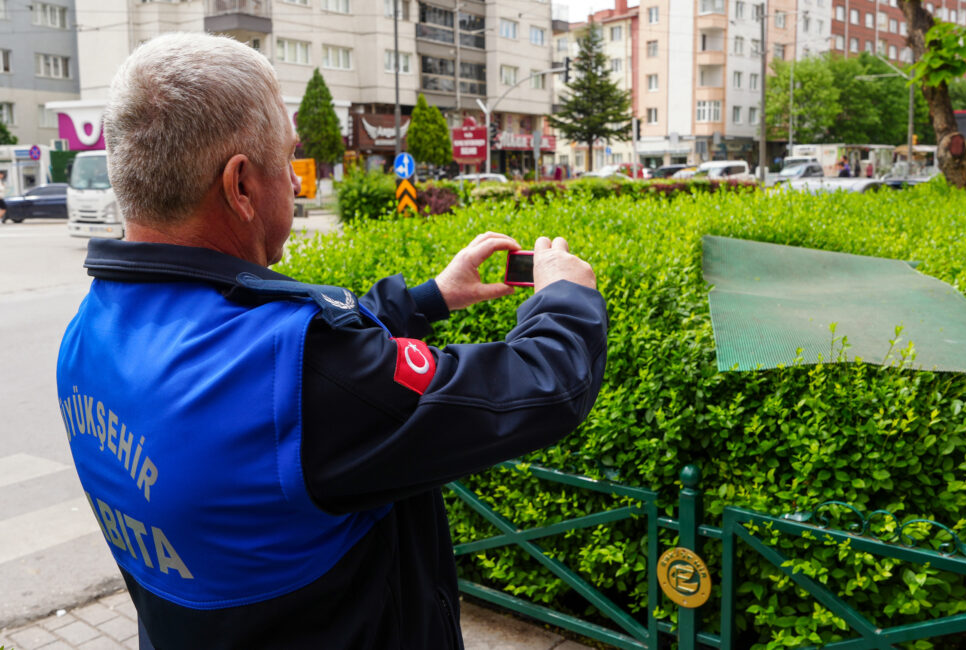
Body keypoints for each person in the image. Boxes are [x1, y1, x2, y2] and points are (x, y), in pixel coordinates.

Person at [55, 33, 607, 650]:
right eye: (287, 162)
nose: (294, 183)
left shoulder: (88, 333)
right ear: (240, 186)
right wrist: (566, 297)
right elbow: (540, 386)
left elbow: (301, 365)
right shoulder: (296, 374)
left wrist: (427, 299)